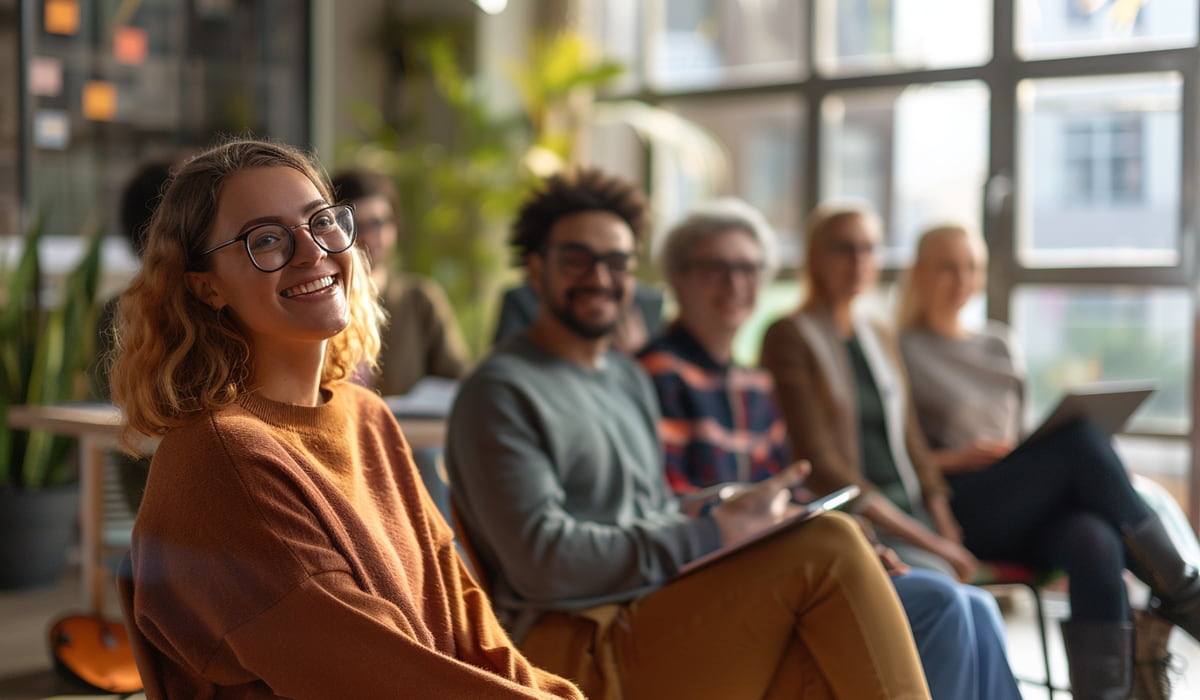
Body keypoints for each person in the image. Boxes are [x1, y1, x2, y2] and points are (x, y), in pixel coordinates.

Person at [108, 137, 582, 699]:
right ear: (204, 285)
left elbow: (463, 621)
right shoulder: (222, 456)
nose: (312, 252)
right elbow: (376, 679)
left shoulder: (366, 416)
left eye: (321, 222)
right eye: (266, 240)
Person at [446, 168, 933, 699]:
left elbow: (649, 513)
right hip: (574, 644)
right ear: (536, 269)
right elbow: (544, 564)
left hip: (653, 611)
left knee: (831, 658)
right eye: (576, 259)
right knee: (831, 546)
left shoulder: (624, 377)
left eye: (616, 262)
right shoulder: (499, 391)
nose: (599, 277)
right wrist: (709, 533)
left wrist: (734, 513)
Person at [636, 199, 1021, 700]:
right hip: (732, 580)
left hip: (793, 554)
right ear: (679, 278)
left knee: (979, 608)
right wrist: (838, 543)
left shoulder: (752, 382)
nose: (735, 285)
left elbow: (787, 489)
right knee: (943, 601)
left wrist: (856, 541)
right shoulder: (657, 374)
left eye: (749, 269)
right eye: (716, 269)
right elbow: (684, 508)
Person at [896, 223, 1200, 699]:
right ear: (918, 274)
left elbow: (1016, 434)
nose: (962, 279)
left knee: (1095, 540)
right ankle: (1189, 597)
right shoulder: (902, 351)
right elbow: (897, 458)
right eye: (947, 268)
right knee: (1080, 440)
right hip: (957, 507)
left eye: (971, 267)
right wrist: (954, 457)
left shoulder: (998, 344)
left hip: (1017, 498)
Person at [760, 202, 973, 582]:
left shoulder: (877, 333)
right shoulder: (790, 335)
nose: (858, 261)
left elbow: (912, 442)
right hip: (857, 521)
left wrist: (944, 524)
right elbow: (820, 464)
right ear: (815, 257)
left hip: (910, 511)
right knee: (952, 594)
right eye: (843, 248)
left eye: (868, 248)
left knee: (976, 602)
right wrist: (933, 543)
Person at [330, 168, 470, 395]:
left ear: (395, 225)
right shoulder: (323, 301)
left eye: (378, 223)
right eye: (355, 224)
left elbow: (459, 378)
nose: (369, 235)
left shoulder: (418, 298)